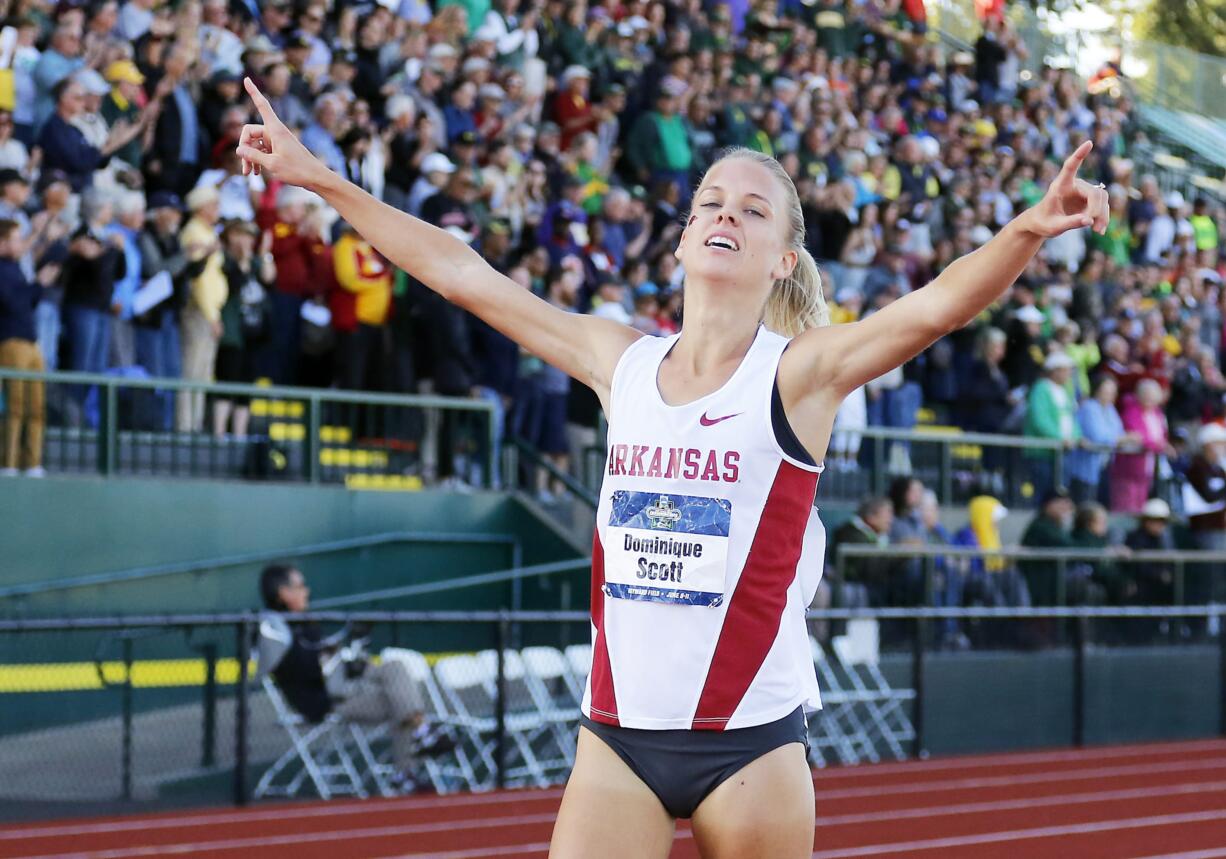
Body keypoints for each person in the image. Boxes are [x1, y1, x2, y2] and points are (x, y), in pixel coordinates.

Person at [236, 79, 1108, 855]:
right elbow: (464, 274)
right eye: (711, 202)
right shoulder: (618, 361)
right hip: (618, 738)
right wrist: (322, 179)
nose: (725, 214)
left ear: (782, 261)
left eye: (753, 210)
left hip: (749, 742)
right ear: (683, 238)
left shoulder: (799, 374)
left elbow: (935, 305)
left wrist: (1030, 227)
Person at [255, 564, 451, 791]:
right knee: (399, 700)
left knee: (396, 672)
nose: (306, 591)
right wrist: (330, 658)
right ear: (283, 592)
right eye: (300, 586)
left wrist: (352, 661)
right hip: (322, 701)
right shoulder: (274, 628)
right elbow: (301, 668)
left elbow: (328, 662)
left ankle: (416, 746)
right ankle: (416, 747)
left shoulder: (307, 623)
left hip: (343, 689)